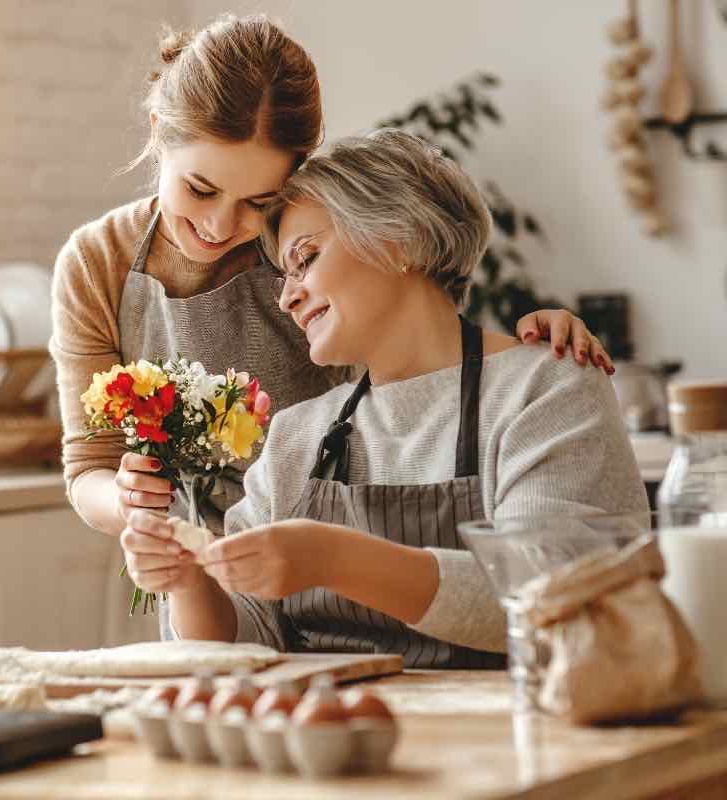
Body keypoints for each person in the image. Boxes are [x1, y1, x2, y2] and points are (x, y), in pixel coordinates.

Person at [51, 14, 611, 541]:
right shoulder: (97, 264)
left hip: (331, 555)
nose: (220, 225)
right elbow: (88, 467)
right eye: (200, 189)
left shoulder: (305, 241)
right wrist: (130, 502)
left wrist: (523, 351)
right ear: (158, 132)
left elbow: (417, 364)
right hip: (193, 569)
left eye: (259, 200)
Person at [119, 129, 649, 666]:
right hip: (336, 737)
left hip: (511, 734)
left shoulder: (545, 388)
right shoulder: (297, 435)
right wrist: (188, 582)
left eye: (306, 258)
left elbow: (555, 596)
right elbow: (246, 640)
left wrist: (332, 556)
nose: (286, 296)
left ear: (399, 239)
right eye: (283, 274)